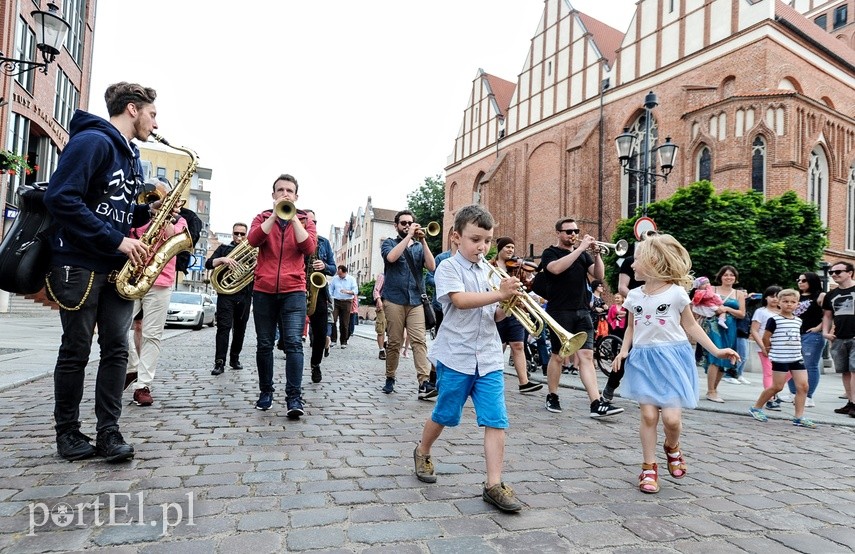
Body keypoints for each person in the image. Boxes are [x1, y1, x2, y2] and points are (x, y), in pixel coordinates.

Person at [43, 82, 158, 462]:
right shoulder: (93, 141)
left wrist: (147, 214)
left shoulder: (131, 155)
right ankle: (68, 433)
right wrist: (116, 239)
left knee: (116, 351)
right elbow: (60, 197)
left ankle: (109, 431)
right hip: (78, 263)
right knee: (75, 350)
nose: (155, 123)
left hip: (115, 267)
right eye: (152, 113)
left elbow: (111, 208)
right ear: (132, 109)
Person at [413, 204, 524, 513]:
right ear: (456, 237)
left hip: (488, 357)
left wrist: (510, 305)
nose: (482, 247)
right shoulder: (447, 267)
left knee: (496, 419)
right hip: (457, 356)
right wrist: (500, 294)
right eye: (475, 239)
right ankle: (422, 450)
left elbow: (494, 314)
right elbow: (460, 301)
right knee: (445, 414)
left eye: (487, 241)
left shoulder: (491, 271)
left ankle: (493, 484)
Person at [612, 233, 739, 494]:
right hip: (643, 359)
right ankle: (649, 467)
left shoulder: (676, 293)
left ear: (654, 261)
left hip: (672, 359)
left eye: (637, 260)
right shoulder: (634, 296)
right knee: (648, 415)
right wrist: (623, 352)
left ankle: (672, 446)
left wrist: (716, 350)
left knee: (671, 420)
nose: (632, 265)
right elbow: (631, 327)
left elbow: (690, 325)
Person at [248, 174, 316, 418]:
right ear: (273, 194)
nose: (285, 194)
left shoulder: (306, 220)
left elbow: (308, 248)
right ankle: (265, 392)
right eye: (280, 190)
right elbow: (253, 240)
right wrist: (275, 215)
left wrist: (294, 218)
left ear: (296, 196)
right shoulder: (262, 217)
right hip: (264, 290)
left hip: (293, 291)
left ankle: (294, 398)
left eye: (289, 191)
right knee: (265, 344)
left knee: (294, 343)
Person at [540, 217, 622, 417]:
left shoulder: (583, 254)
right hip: (560, 311)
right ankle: (552, 395)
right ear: (558, 233)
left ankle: (596, 403)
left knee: (586, 355)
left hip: (583, 310)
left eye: (575, 231)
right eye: (569, 231)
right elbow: (556, 269)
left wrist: (596, 254)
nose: (573, 235)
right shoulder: (550, 253)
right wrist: (581, 248)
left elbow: (598, 275)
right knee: (558, 356)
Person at [126, 178, 187, 406]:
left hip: (160, 280)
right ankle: (132, 367)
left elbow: (173, 239)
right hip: (131, 276)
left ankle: (143, 385)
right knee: (116, 329)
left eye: (162, 194)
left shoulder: (179, 219)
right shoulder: (136, 214)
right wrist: (149, 211)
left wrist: (165, 214)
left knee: (152, 334)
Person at [380, 210, 437, 399]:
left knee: (419, 341)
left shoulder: (419, 246)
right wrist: (409, 236)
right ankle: (390, 376)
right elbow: (391, 258)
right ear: (396, 225)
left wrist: (423, 241)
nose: (407, 225)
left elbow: (431, 266)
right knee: (394, 342)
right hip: (394, 299)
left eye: (410, 223)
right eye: (403, 223)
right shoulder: (389, 243)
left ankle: (424, 382)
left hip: (416, 300)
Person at [748, 289, 816, 428]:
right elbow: (766, 337)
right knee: (777, 386)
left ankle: (799, 417)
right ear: (779, 303)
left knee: (803, 386)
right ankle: (756, 407)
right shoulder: (774, 320)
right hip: (780, 358)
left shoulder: (798, 321)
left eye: (792, 302)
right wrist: (768, 350)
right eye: (785, 301)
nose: (789, 304)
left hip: (796, 358)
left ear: (797, 304)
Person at [490, 237, 543, 393]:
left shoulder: (516, 267)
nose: (510, 250)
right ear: (500, 248)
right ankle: (489, 377)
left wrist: (536, 278)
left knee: (518, 345)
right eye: (507, 247)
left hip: (515, 311)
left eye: (512, 247)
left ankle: (524, 382)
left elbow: (527, 287)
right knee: (497, 346)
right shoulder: (490, 266)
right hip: (496, 309)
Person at [206, 222, 253, 375]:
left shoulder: (252, 250)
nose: (239, 236)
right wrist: (223, 259)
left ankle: (235, 358)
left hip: (244, 295)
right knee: (223, 328)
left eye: (242, 234)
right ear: (232, 234)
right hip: (226, 295)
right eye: (236, 233)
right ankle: (219, 362)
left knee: (240, 330)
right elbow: (208, 264)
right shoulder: (224, 249)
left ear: (246, 235)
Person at [779, 272, 826, 407]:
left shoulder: (820, 296)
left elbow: (828, 315)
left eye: (804, 280)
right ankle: (793, 393)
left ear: (812, 281)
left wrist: (818, 328)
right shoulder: (796, 297)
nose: (800, 282)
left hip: (811, 335)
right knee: (791, 363)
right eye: (798, 280)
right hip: (794, 334)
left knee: (809, 365)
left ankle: (808, 396)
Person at [703, 266, 746, 403]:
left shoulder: (739, 294)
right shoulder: (712, 289)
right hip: (713, 325)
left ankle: (714, 389)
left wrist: (727, 308)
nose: (729, 277)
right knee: (715, 356)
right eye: (726, 275)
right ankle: (711, 390)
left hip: (730, 327)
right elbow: (702, 305)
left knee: (726, 357)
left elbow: (742, 314)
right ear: (720, 276)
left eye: (732, 275)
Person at [303, 209, 336, 384]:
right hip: (297, 288)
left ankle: (315, 364)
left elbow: (333, 268)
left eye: (314, 222)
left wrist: (324, 266)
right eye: (307, 221)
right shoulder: (294, 239)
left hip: (319, 290)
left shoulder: (323, 242)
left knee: (321, 333)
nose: (311, 224)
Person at [822, 261, 855, 418]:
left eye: (838, 272)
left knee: (854, 370)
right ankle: (850, 402)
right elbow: (827, 316)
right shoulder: (831, 295)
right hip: (839, 337)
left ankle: (854, 403)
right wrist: (825, 332)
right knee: (845, 371)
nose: (834, 275)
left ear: (850, 273)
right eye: (831, 273)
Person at [750, 286, 782, 411]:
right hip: (766, 346)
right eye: (772, 296)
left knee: (788, 372)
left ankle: (773, 391)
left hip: (782, 348)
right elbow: (754, 330)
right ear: (766, 298)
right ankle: (770, 399)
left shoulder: (783, 312)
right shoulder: (761, 311)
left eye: (777, 297)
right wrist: (763, 346)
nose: (775, 299)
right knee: (769, 372)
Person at [329, 265, 357, 348]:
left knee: (344, 323)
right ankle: (333, 340)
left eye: (340, 274)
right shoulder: (335, 279)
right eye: (338, 274)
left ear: (345, 272)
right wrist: (330, 297)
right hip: (336, 301)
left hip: (347, 301)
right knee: (333, 320)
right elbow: (330, 289)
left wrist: (347, 292)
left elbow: (355, 291)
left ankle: (343, 341)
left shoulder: (351, 279)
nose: (339, 275)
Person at [374, 273, 387, 359]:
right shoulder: (382, 276)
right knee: (381, 328)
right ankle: (381, 350)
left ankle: (387, 344)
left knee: (394, 329)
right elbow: (376, 290)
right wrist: (379, 301)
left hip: (395, 305)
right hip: (382, 304)